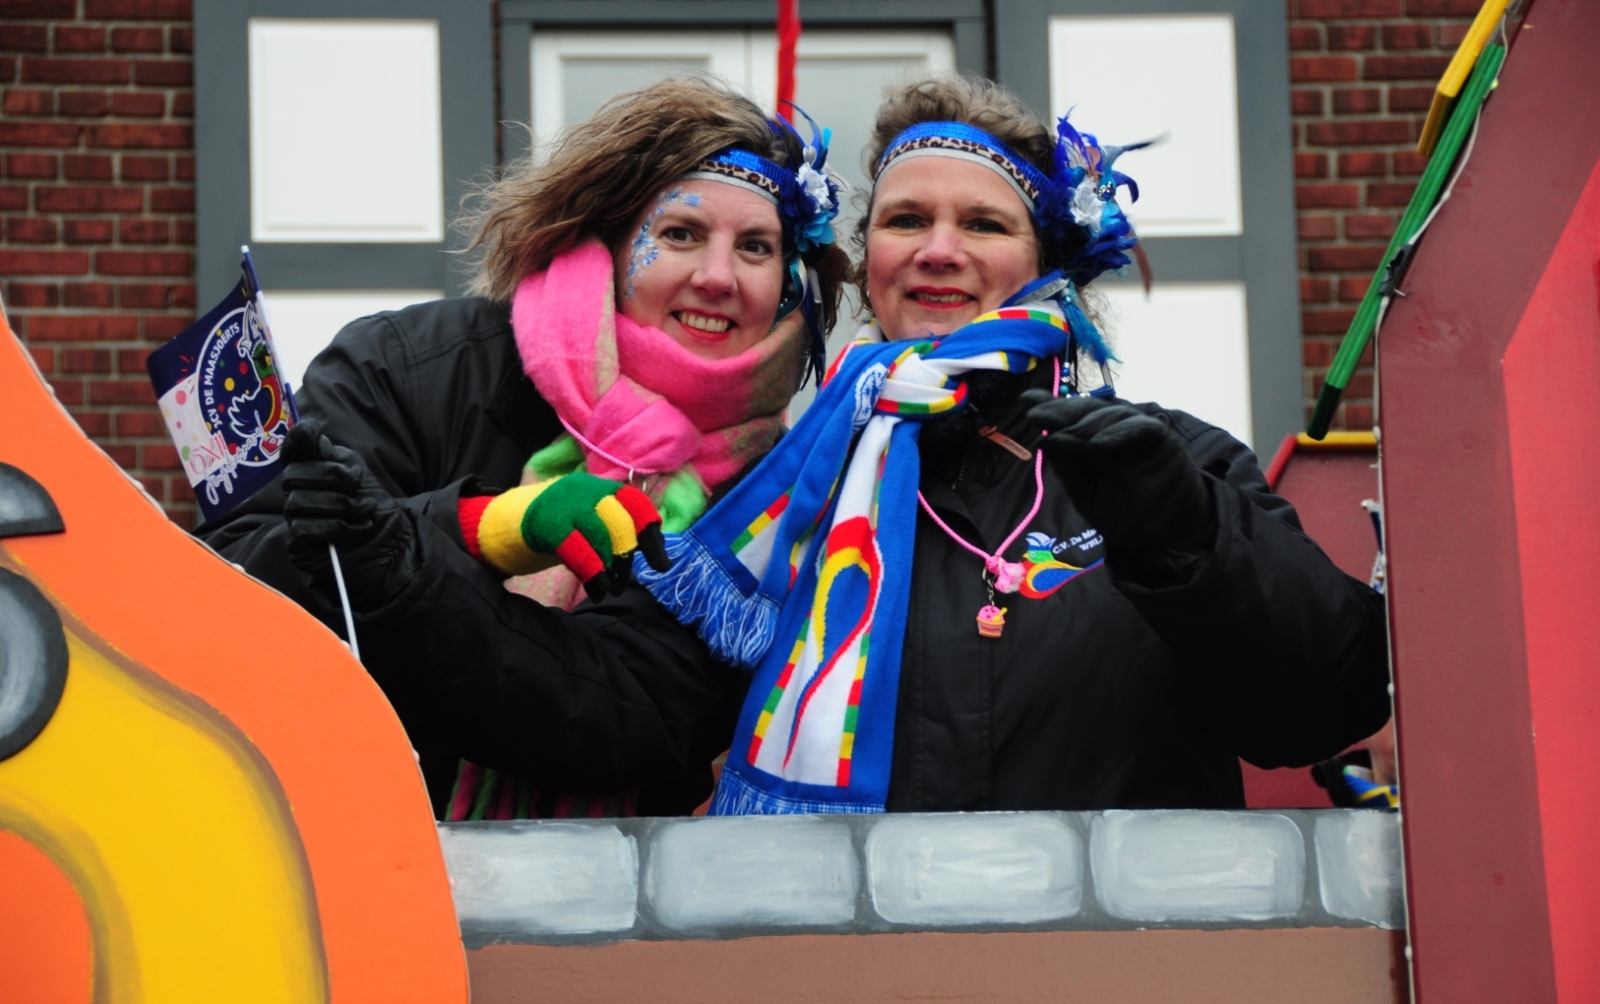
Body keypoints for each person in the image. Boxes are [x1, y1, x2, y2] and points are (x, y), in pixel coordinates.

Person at [637, 73, 1391, 814]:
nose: (939, 250)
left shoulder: (1178, 462)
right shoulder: (786, 490)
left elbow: (1324, 707)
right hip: (855, 906)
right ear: (870, 263)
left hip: (1118, 906)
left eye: (984, 225)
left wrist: (1184, 535)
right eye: (906, 220)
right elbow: (637, 720)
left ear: (1048, 265)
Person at [198, 78, 848, 817]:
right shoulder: (409, 366)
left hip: (597, 889)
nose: (717, 277)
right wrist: (469, 526)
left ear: (789, 284)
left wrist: (407, 559)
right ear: (609, 241)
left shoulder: (777, 489)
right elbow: (233, 585)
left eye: (756, 247)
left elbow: (625, 718)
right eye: (680, 234)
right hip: (335, 848)